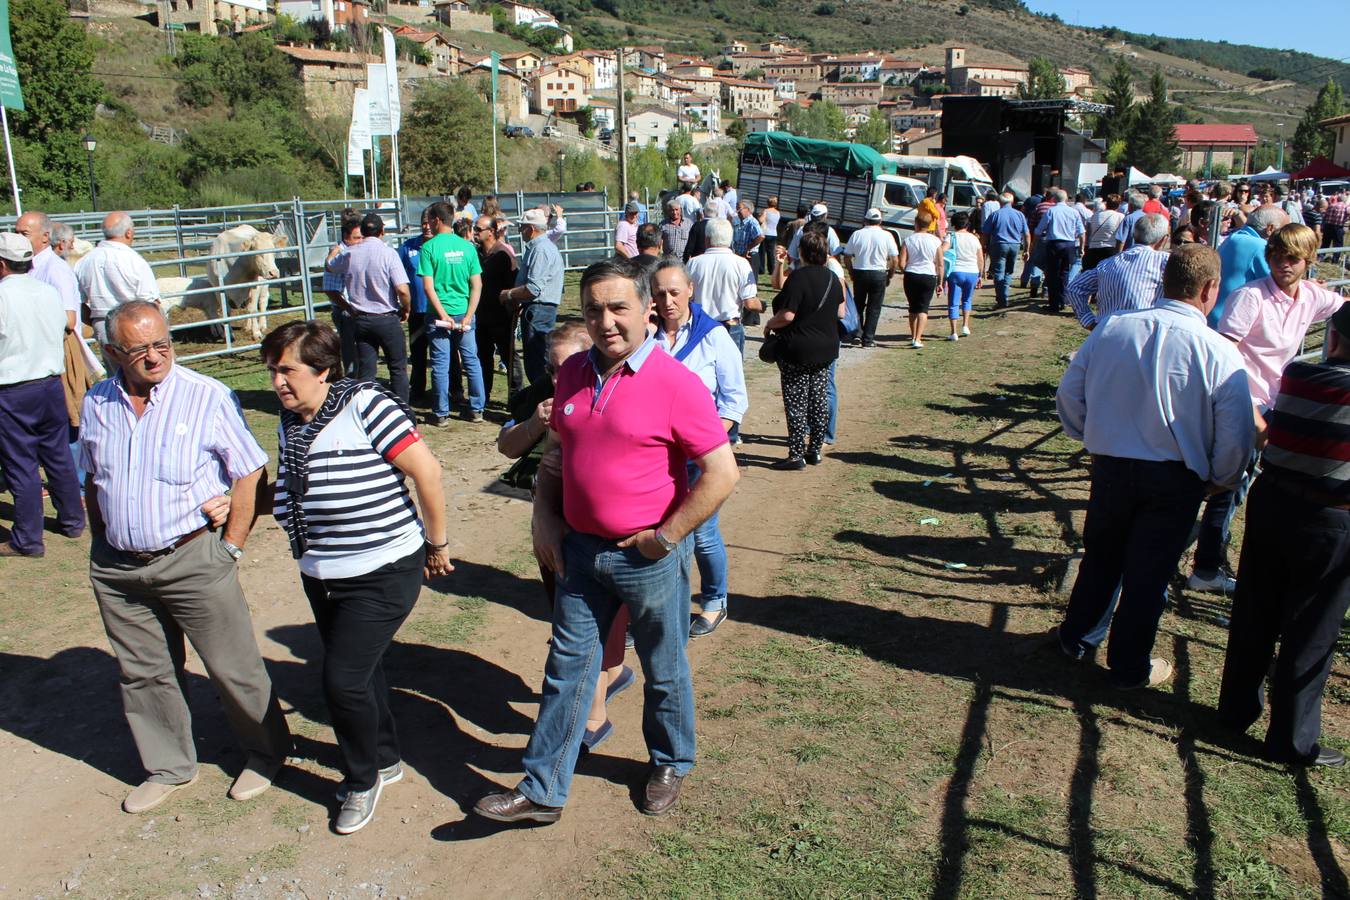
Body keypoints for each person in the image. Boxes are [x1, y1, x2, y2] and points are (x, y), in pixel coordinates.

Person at [474, 258, 739, 824]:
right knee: (567, 671)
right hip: (579, 553)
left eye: (619, 307)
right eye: (594, 309)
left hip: (647, 560)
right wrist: (545, 518)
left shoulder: (676, 384)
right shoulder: (571, 375)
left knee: (663, 668)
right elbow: (556, 458)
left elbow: (723, 473)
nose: (606, 321)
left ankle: (670, 760)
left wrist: (665, 540)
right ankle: (542, 789)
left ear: (648, 310)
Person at [82, 300, 291, 813]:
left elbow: (247, 471)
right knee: (143, 671)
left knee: (232, 665)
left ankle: (265, 754)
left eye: (163, 344)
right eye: (140, 349)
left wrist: (233, 545)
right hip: (118, 566)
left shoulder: (206, 395)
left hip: (193, 556)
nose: (155, 357)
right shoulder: (96, 402)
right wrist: (100, 541)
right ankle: (168, 765)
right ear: (112, 352)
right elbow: (92, 478)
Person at [262, 320, 452, 833]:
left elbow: (427, 472)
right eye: (273, 371)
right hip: (322, 569)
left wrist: (437, 542)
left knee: (341, 680)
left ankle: (360, 780)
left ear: (323, 370)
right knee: (362, 674)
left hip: (383, 567)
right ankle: (385, 760)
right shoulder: (291, 419)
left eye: (288, 371)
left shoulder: (367, 406)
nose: (278, 382)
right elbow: (295, 484)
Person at [1052, 245, 1254, 689]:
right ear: (1210, 289)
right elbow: (1235, 433)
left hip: (1113, 465)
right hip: (1175, 477)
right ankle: (1128, 667)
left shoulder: (1112, 328)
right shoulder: (1218, 351)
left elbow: (1070, 395)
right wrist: (1220, 479)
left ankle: (1077, 639)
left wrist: (1091, 435)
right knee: (1148, 575)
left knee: (1102, 558)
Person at [1217, 302, 1350, 768]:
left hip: (1273, 502)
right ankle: (1292, 740)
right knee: (1312, 627)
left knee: (1256, 609)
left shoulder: (1297, 376)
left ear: (1332, 339)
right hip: (1333, 520)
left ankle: (1234, 711)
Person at [495, 323, 635, 749]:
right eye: (551, 368)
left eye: (567, 365)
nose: (558, 377)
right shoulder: (538, 398)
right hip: (552, 523)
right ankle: (610, 675)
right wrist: (536, 423)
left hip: (603, 528)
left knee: (586, 626)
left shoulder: (613, 391)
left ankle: (593, 714)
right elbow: (506, 447)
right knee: (569, 617)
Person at [1191, 224, 1346, 593]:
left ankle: (1206, 559)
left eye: (1291, 258)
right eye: (1275, 256)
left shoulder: (1309, 296)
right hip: (1245, 400)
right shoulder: (1251, 297)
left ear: (1308, 261)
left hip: (1278, 401)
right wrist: (1253, 416)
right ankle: (1205, 567)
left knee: (1241, 487)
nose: (1282, 264)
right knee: (1227, 486)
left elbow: (1344, 309)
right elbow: (1226, 356)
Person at [651, 259, 747, 636]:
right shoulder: (646, 335)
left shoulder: (714, 336)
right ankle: (652, 610)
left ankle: (714, 601)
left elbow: (734, 400)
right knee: (657, 532)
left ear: (691, 290)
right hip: (654, 456)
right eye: (660, 294)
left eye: (675, 292)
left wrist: (704, 444)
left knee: (702, 535)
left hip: (699, 459)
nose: (668, 301)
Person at [0, 233, 85, 558]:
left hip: (12, 388)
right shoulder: (48, 291)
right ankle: (73, 520)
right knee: (57, 454)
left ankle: (28, 539)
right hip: (50, 384)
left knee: (20, 463)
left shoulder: (3, 296)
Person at [18, 211, 94, 475]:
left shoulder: (55, 270)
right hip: (36, 353)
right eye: (17, 233)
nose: (19, 239)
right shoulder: (28, 268)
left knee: (68, 415)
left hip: (57, 351)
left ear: (45, 237)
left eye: (24, 234)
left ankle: (78, 480)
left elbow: (69, 319)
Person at [764, 229, 846, 469]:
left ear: (802, 252)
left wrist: (769, 324)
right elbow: (841, 312)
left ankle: (796, 454)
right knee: (819, 399)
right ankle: (815, 450)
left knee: (796, 401)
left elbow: (787, 315)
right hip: (827, 348)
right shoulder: (833, 278)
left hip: (798, 348)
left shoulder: (798, 278)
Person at [325, 213, 412, 403]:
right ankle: (402, 411)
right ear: (382, 231)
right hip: (386, 317)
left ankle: (367, 411)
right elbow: (402, 289)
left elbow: (330, 266)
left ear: (362, 232)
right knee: (397, 368)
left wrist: (333, 251)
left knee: (366, 370)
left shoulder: (349, 254)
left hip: (361, 319)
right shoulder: (389, 253)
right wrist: (406, 308)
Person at [418, 201, 485, 425]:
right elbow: (477, 285)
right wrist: (469, 315)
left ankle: (441, 413)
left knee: (440, 363)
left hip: (439, 316)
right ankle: (477, 409)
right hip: (464, 313)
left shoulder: (429, 248)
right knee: (471, 360)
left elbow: (428, 287)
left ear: (437, 220)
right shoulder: (468, 247)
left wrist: (441, 314)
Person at [1066, 213, 1171, 331]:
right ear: (1163, 239)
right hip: (1143, 335)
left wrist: (1090, 322)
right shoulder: (1165, 261)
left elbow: (1074, 288)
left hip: (1106, 333)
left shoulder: (1107, 263)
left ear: (1134, 234)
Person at [74, 211, 160, 351]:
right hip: (137, 327)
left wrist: (98, 323)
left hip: (103, 326)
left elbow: (78, 303)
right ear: (128, 233)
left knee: (115, 371)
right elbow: (152, 303)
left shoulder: (84, 261)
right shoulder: (135, 261)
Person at [503, 208, 564, 386]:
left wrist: (508, 294)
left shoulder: (540, 250)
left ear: (531, 228)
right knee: (537, 358)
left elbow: (533, 288)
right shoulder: (540, 248)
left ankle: (543, 398)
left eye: (522, 228)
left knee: (536, 361)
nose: (521, 232)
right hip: (539, 310)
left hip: (538, 310)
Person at [1211, 204, 1289, 328]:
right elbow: (1280, 285)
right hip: (1232, 324)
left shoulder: (1234, 238)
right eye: (1284, 230)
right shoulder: (1260, 247)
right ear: (1270, 229)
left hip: (1216, 317)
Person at [472, 214, 518, 402]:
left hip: (500, 317)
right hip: (481, 316)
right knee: (483, 358)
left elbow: (513, 286)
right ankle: (484, 396)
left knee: (509, 358)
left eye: (478, 229)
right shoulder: (475, 254)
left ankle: (516, 396)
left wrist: (510, 309)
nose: (474, 233)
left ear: (491, 232)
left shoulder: (503, 255)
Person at [843, 208, 898, 347]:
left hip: (860, 271)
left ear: (865, 220)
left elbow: (847, 256)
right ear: (880, 221)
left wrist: (851, 272)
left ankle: (857, 333)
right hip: (878, 273)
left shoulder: (857, 234)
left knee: (858, 304)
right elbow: (894, 259)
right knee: (874, 307)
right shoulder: (887, 235)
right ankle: (868, 339)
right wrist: (890, 274)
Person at [397, 213, 433, 402]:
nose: (426, 227)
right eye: (423, 223)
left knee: (442, 355)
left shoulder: (440, 246)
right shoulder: (408, 246)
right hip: (416, 310)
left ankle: (450, 389)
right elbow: (395, 271)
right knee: (418, 352)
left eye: (429, 223)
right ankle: (418, 388)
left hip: (438, 310)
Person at [323, 212, 364, 377]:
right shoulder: (338, 255)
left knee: (362, 349)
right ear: (346, 236)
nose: (361, 241)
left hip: (360, 310)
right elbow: (330, 289)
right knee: (350, 351)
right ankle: (352, 383)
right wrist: (348, 308)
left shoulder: (358, 251)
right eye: (357, 237)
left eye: (362, 237)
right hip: (347, 312)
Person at [1034, 188, 1086, 314]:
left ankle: (1054, 303)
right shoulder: (1073, 212)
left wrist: (1035, 244)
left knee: (1052, 274)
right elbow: (1081, 232)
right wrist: (1082, 247)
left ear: (1054, 199)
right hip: (1069, 244)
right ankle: (1062, 301)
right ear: (1066, 199)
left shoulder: (1051, 211)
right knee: (1065, 273)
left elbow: (1039, 230)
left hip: (1054, 244)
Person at [899, 210, 946, 349]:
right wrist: (940, 282)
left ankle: (913, 335)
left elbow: (902, 262)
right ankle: (918, 338)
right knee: (923, 308)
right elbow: (940, 264)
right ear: (930, 224)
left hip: (911, 275)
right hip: (928, 275)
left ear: (916, 224)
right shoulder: (936, 241)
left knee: (912, 307)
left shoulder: (908, 240)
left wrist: (906, 271)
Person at [981, 192, 1029, 309]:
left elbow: (985, 233)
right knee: (1009, 271)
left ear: (1000, 202)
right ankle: (1005, 296)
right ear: (1012, 202)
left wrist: (983, 246)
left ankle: (1001, 298)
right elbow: (1026, 234)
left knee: (998, 271)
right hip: (1015, 245)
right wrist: (1027, 249)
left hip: (999, 245)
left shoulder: (995, 215)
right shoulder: (1019, 215)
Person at [944, 212, 983, 341]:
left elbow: (942, 250)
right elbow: (980, 258)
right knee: (967, 300)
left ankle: (953, 331)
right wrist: (980, 275)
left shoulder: (951, 237)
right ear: (967, 224)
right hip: (972, 271)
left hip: (956, 271)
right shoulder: (974, 238)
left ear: (954, 224)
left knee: (953, 302)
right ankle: (965, 325)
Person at [786, 204, 841, 268]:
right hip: (823, 271)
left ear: (811, 215)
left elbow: (792, 254)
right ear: (825, 215)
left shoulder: (801, 229)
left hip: (802, 270)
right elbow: (836, 254)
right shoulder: (830, 231)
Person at [1084, 194, 1125, 270]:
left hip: (1093, 247)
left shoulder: (1095, 215)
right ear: (1118, 205)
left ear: (1106, 204)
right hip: (1109, 247)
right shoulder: (1120, 216)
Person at [732, 200, 763, 272]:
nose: (737, 211)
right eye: (736, 208)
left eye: (739, 208)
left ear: (748, 210)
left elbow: (760, 236)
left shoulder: (752, 222)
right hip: (740, 256)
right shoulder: (741, 221)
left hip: (750, 256)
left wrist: (748, 249)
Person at [758, 197, 782, 277]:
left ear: (768, 203)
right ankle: (771, 269)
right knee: (771, 253)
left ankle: (761, 269)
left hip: (765, 233)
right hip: (774, 233)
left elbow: (761, 220)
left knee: (762, 251)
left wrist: (759, 217)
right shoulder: (778, 213)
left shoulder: (766, 211)